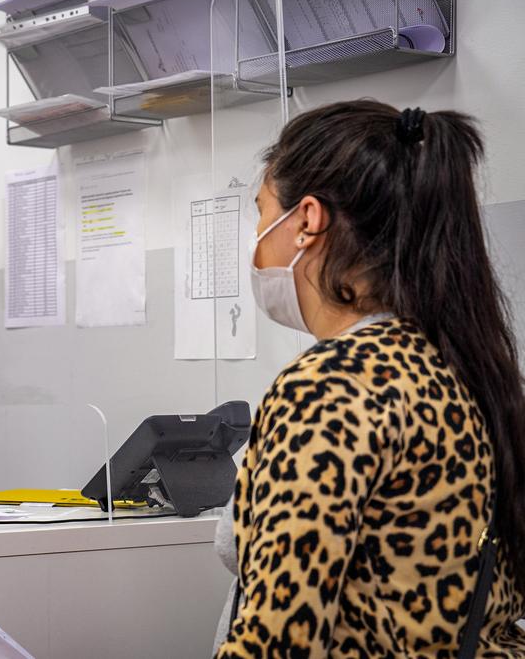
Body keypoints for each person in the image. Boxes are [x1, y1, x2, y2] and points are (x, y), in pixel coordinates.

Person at [213, 102, 525, 656]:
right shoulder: (467, 370)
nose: (258, 236)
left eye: (261, 212)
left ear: (307, 221)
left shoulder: (326, 390)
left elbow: (280, 641)